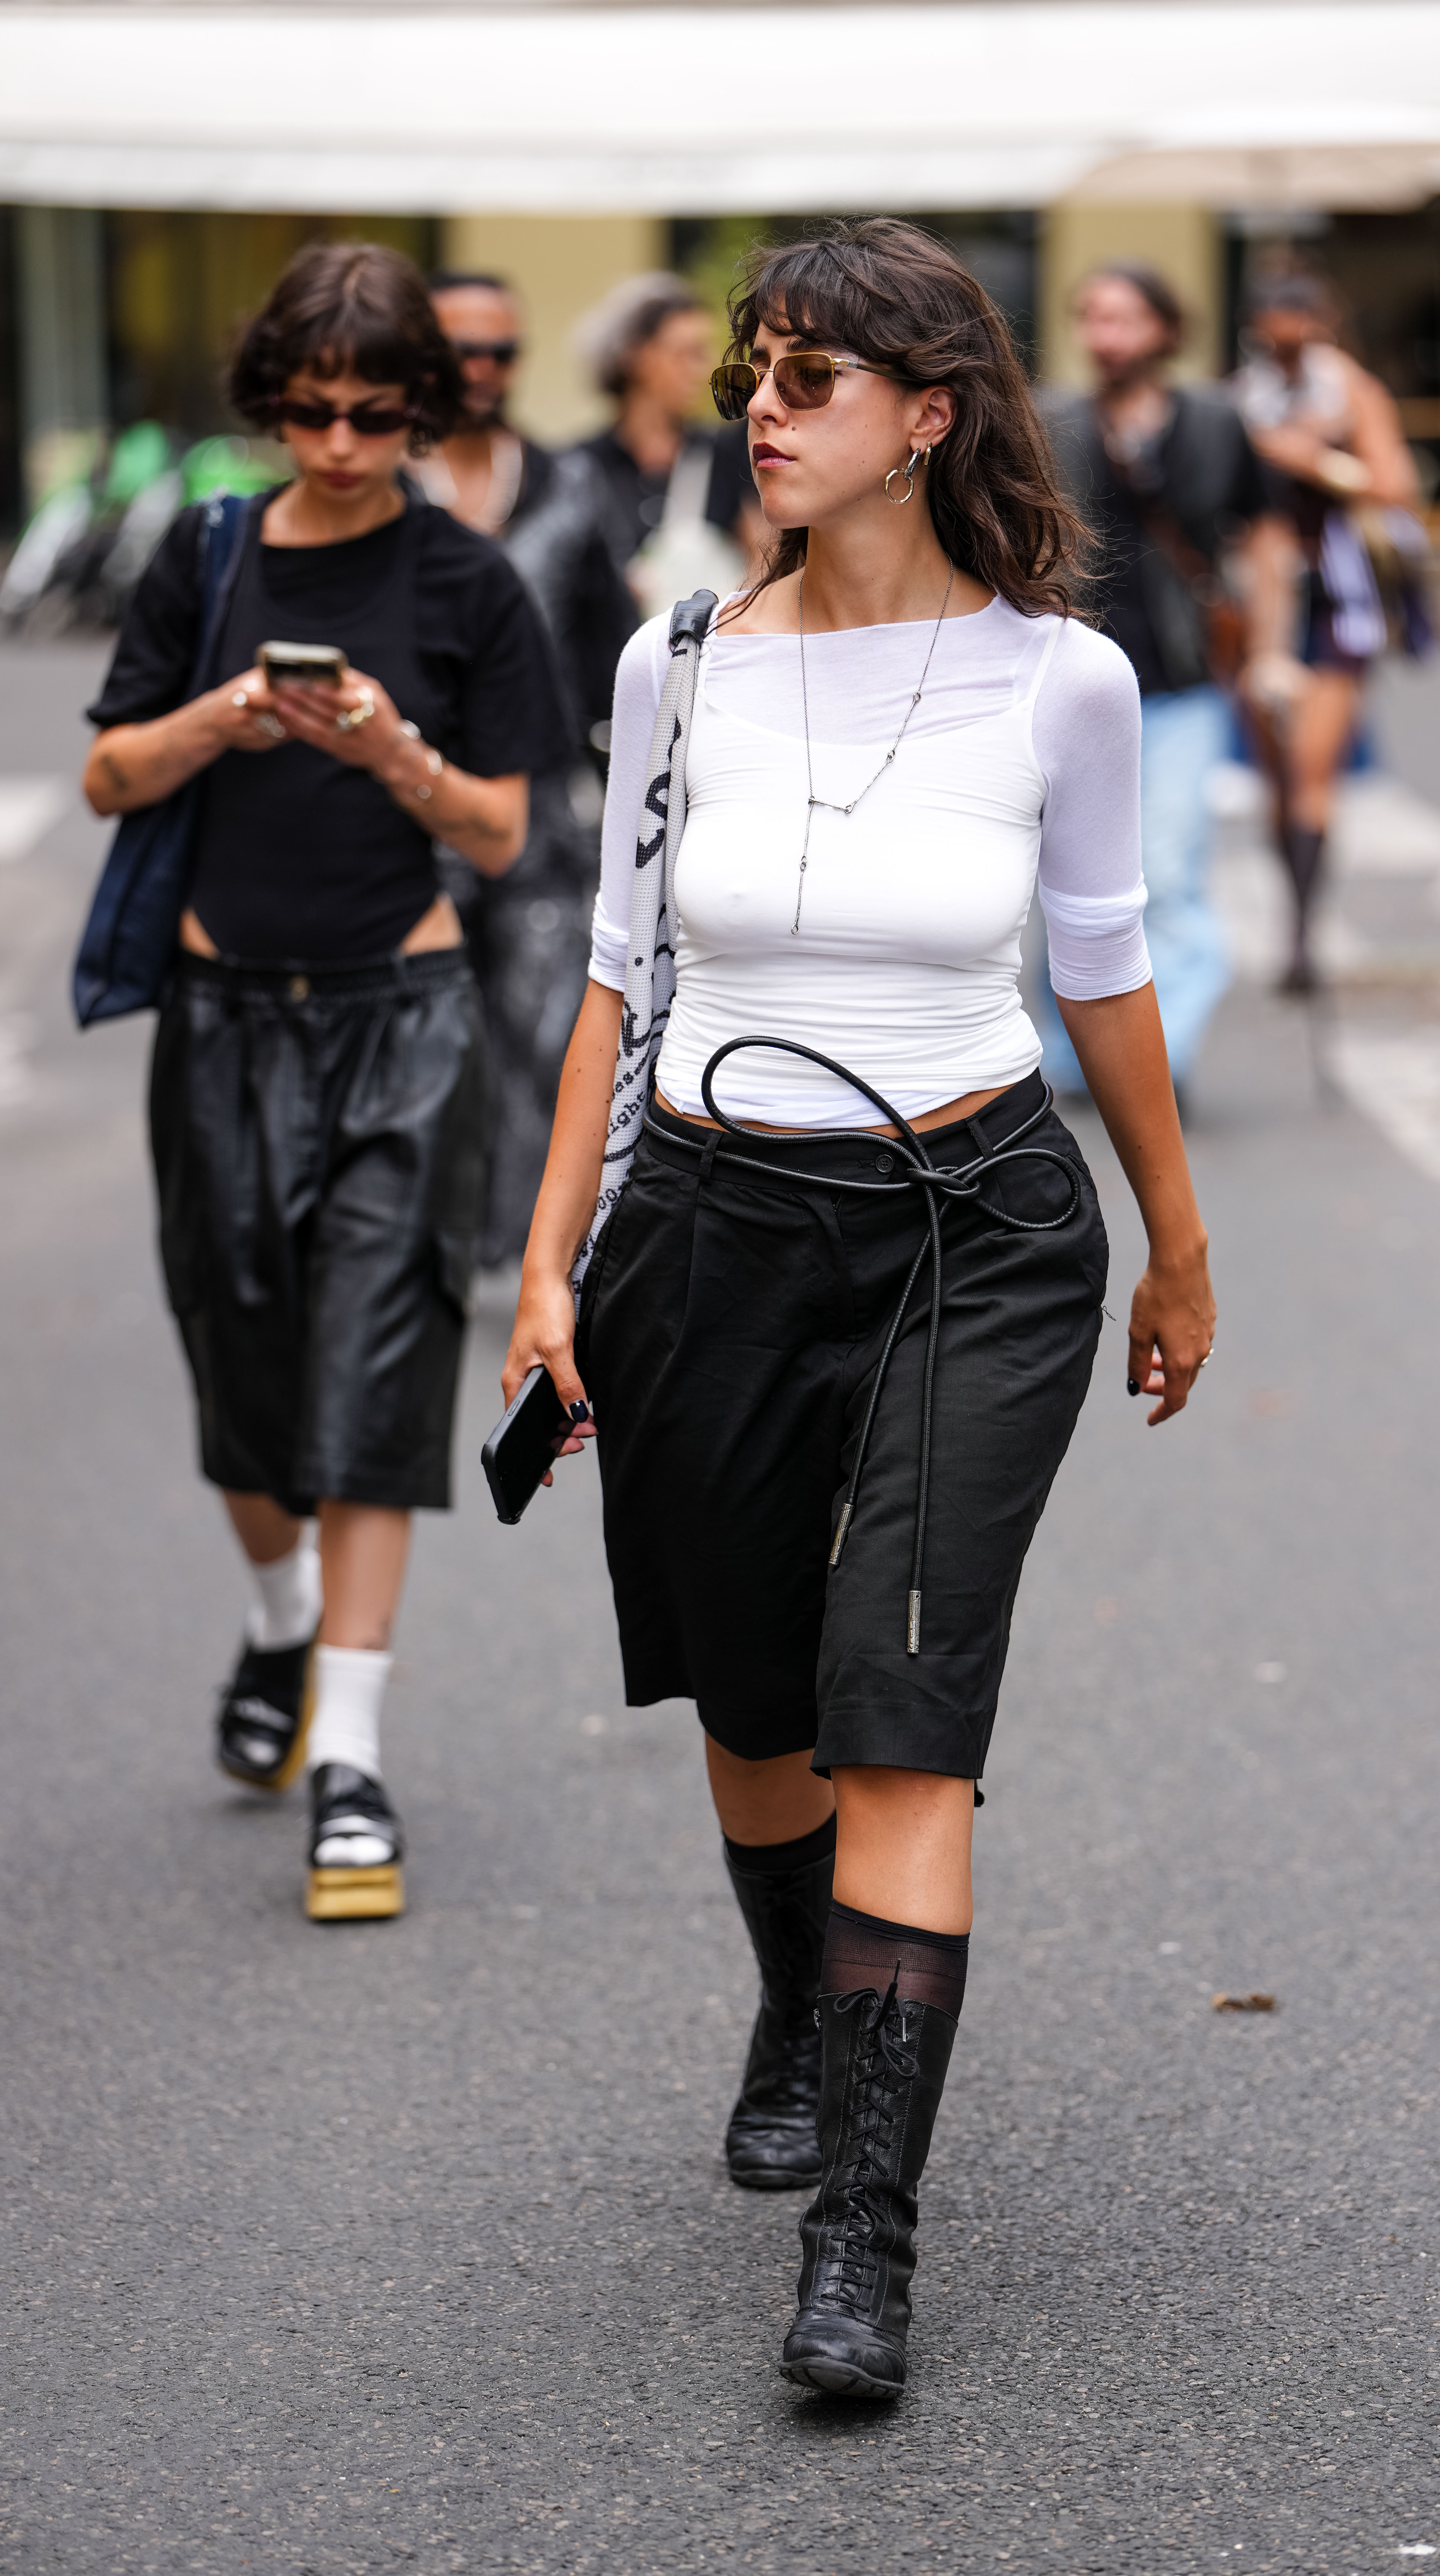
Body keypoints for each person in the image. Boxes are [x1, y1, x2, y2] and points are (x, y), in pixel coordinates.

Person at [504, 217, 1216, 2398]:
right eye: (756, 372)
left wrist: (1179, 1243)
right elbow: (622, 976)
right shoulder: (678, 662)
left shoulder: (1060, 679)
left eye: (814, 377)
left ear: (931, 413)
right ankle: (799, 2001)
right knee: (756, 1703)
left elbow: (1099, 969)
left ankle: (864, 2248)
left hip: (974, 1228)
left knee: (901, 1699)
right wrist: (550, 1262)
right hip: (709, 1224)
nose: (765, 408)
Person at [82, 243, 569, 1920]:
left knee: (376, 1374)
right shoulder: (209, 556)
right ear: (270, 403)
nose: (342, 442)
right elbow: (103, 771)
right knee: (242, 1379)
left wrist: (389, 751)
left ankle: (349, 1757)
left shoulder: (463, 585)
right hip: (222, 1015)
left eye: (375, 413)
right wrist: (227, 712)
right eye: (310, 411)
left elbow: (503, 827)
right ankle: (284, 1622)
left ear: (422, 407)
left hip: (406, 1017)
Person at [1039, 261, 1288, 1106]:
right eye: (1095, 319)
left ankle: (1157, 1056)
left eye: (1126, 320)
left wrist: (1270, 649)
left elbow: (1263, 539)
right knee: (1063, 880)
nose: (1107, 338)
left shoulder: (1216, 423)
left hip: (1181, 683)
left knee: (1169, 867)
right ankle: (1072, 1063)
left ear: (1166, 331)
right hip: (1069, 686)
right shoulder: (1051, 422)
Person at [415, 267, 626, 1262]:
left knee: (542, 1026)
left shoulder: (563, 485)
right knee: (418, 1026)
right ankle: (422, 1228)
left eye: (503, 350)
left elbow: (603, 648)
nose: (485, 370)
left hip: (538, 802)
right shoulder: (373, 482)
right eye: (464, 349)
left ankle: (528, 1246)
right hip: (400, 800)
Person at [1230, 271, 1421, 992]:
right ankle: (1296, 901)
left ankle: (1301, 934)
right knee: (1275, 776)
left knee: (1313, 771)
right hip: (1256, 598)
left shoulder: (1352, 392)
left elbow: (1395, 483)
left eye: (1299, 325)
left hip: (1336, 596)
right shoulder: (1236, 396)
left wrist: (1315, 459)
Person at [570, 271, 763, 727]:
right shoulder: (579, 468)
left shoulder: (728, 455)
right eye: (685, 354)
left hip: (710, 695)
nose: (700, 370)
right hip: (605, 702)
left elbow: (766, 565)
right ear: (635, 357)